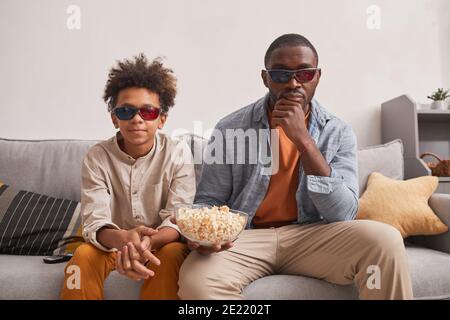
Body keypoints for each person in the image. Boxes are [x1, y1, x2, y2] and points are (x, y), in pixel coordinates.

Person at [176, 34, 413, 300]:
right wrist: (198, 234)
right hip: (246, 239)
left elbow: (344, 213)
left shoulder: (338, 131)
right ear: (265, 78)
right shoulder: (229, 128)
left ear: (318, 76)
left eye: (305, 74)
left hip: (312, 235)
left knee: (385, 240)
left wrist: (304, 141)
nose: (293, 83)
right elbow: (209, 200)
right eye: (280, 75)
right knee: (197, 282)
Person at [60, 54, 195, 300]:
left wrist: (147, 244)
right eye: (126, 111)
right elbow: (95, 221)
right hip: (113, 243)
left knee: (173, 252)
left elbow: (178, 217)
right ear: (114, 118)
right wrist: (124, 240)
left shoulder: (178, 153)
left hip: (161, 244)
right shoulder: (97, 157)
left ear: (162, 119)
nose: (137, 119)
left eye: (148, 112)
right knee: (82, 256)